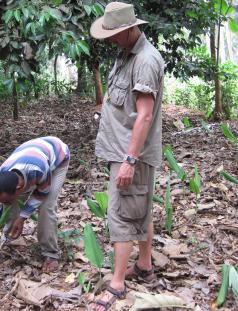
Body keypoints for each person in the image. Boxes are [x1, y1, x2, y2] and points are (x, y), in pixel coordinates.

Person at [90, 2, 164, 310]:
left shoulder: (145, 60)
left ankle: (118, 285)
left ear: (130, 29)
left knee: (120, 216)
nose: (110, 39)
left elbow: (145, 116)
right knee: (140, 209)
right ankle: (144, 265)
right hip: (121, 149)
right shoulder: (125, 54)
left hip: (130, 155)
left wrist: (129, 161)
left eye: (115, 34)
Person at [0, 136, 70, 283]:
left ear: (18, 189)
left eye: (7, 199)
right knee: (11, 206)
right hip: (30, 155)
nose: (5, 204)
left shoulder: (38, 170)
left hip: (57, 156)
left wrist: (22, 217)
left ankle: (51, 254)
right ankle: (10, 240)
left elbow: (42, 193)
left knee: (47, 206)